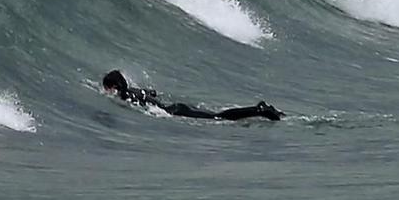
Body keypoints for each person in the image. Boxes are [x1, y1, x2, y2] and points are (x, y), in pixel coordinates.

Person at [102, 70, 281, 123]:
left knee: (219, 117)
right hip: (176, 106)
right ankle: (259, 109)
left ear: (116, 86)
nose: (107, 91)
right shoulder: (133, 90)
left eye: (108, 88)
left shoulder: (127, 97)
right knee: (217, 115)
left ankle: (259, 110)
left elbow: (146, 107)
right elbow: (151, 93)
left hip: (174, 111)